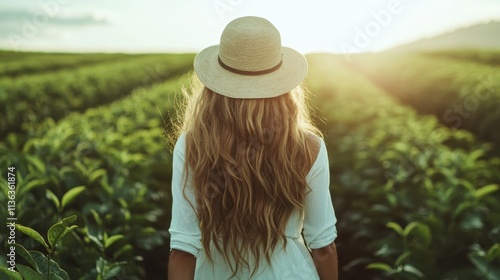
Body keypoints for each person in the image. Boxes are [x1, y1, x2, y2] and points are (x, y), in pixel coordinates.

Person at [168, 16, 338, 280]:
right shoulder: (309, 147)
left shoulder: (192, 146)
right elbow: (323, 244)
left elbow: (183, 249)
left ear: (215, 86)